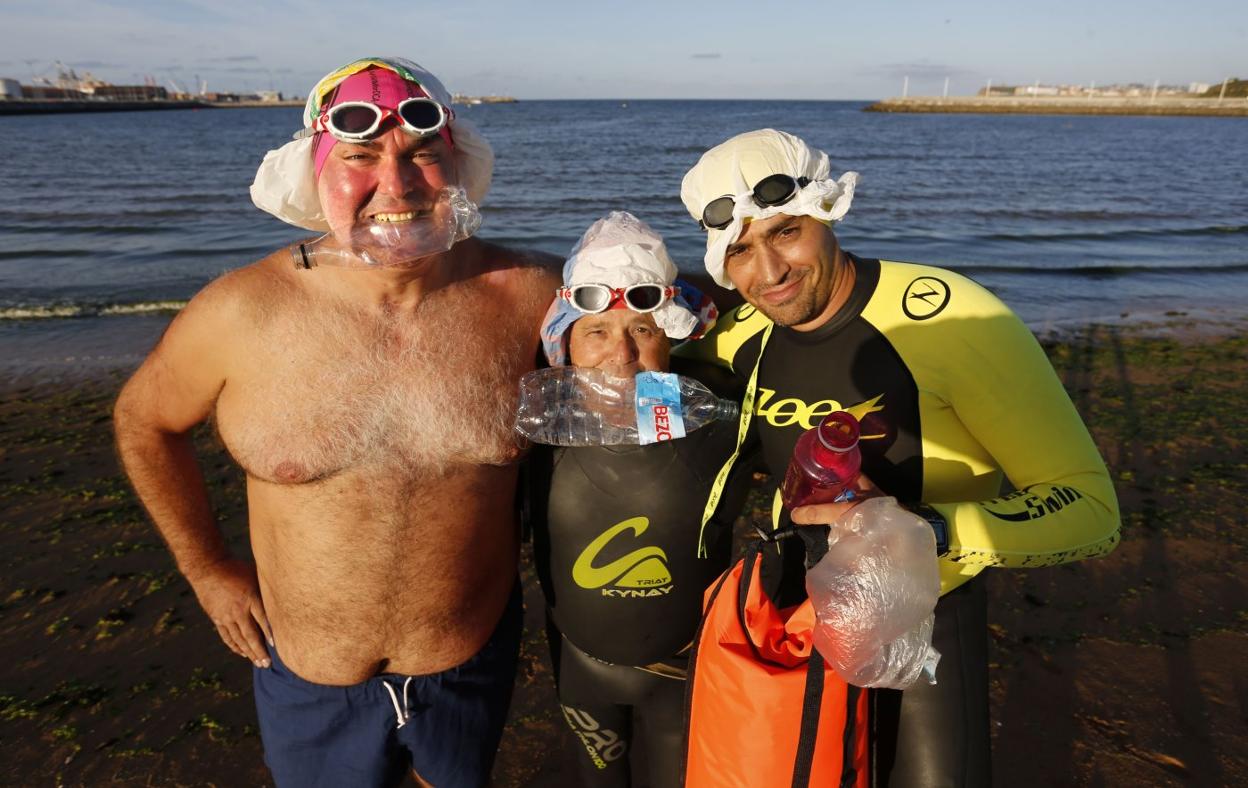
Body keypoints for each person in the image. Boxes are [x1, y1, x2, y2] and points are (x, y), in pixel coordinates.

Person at [113, 57, 559, 788]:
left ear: (458, 164)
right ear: (317, 175)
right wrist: (206, 569)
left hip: (467, 662)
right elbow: (143, 421)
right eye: (359, 156)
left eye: (423, 153)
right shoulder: (241, 312)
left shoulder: (532, 296)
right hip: (308, 678)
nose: (399, 183)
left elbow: (654, 354)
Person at [677, 129, 1121, 787]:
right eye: (740, 250)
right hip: (799, 614)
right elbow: (622, 358)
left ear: (828, 211)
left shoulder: (956, 321)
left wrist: (932, 533)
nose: (767, 272)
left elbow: (1091, 508)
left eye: (786, 233)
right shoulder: (738, 334)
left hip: (931, 613)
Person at [524, 212, 746, 786]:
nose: (621, 357)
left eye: (643, 330)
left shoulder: (719, 425)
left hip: (686, 665)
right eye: (597, 331)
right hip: (584, 670)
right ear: (564, 345)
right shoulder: (531, 436)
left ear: (671, 339)